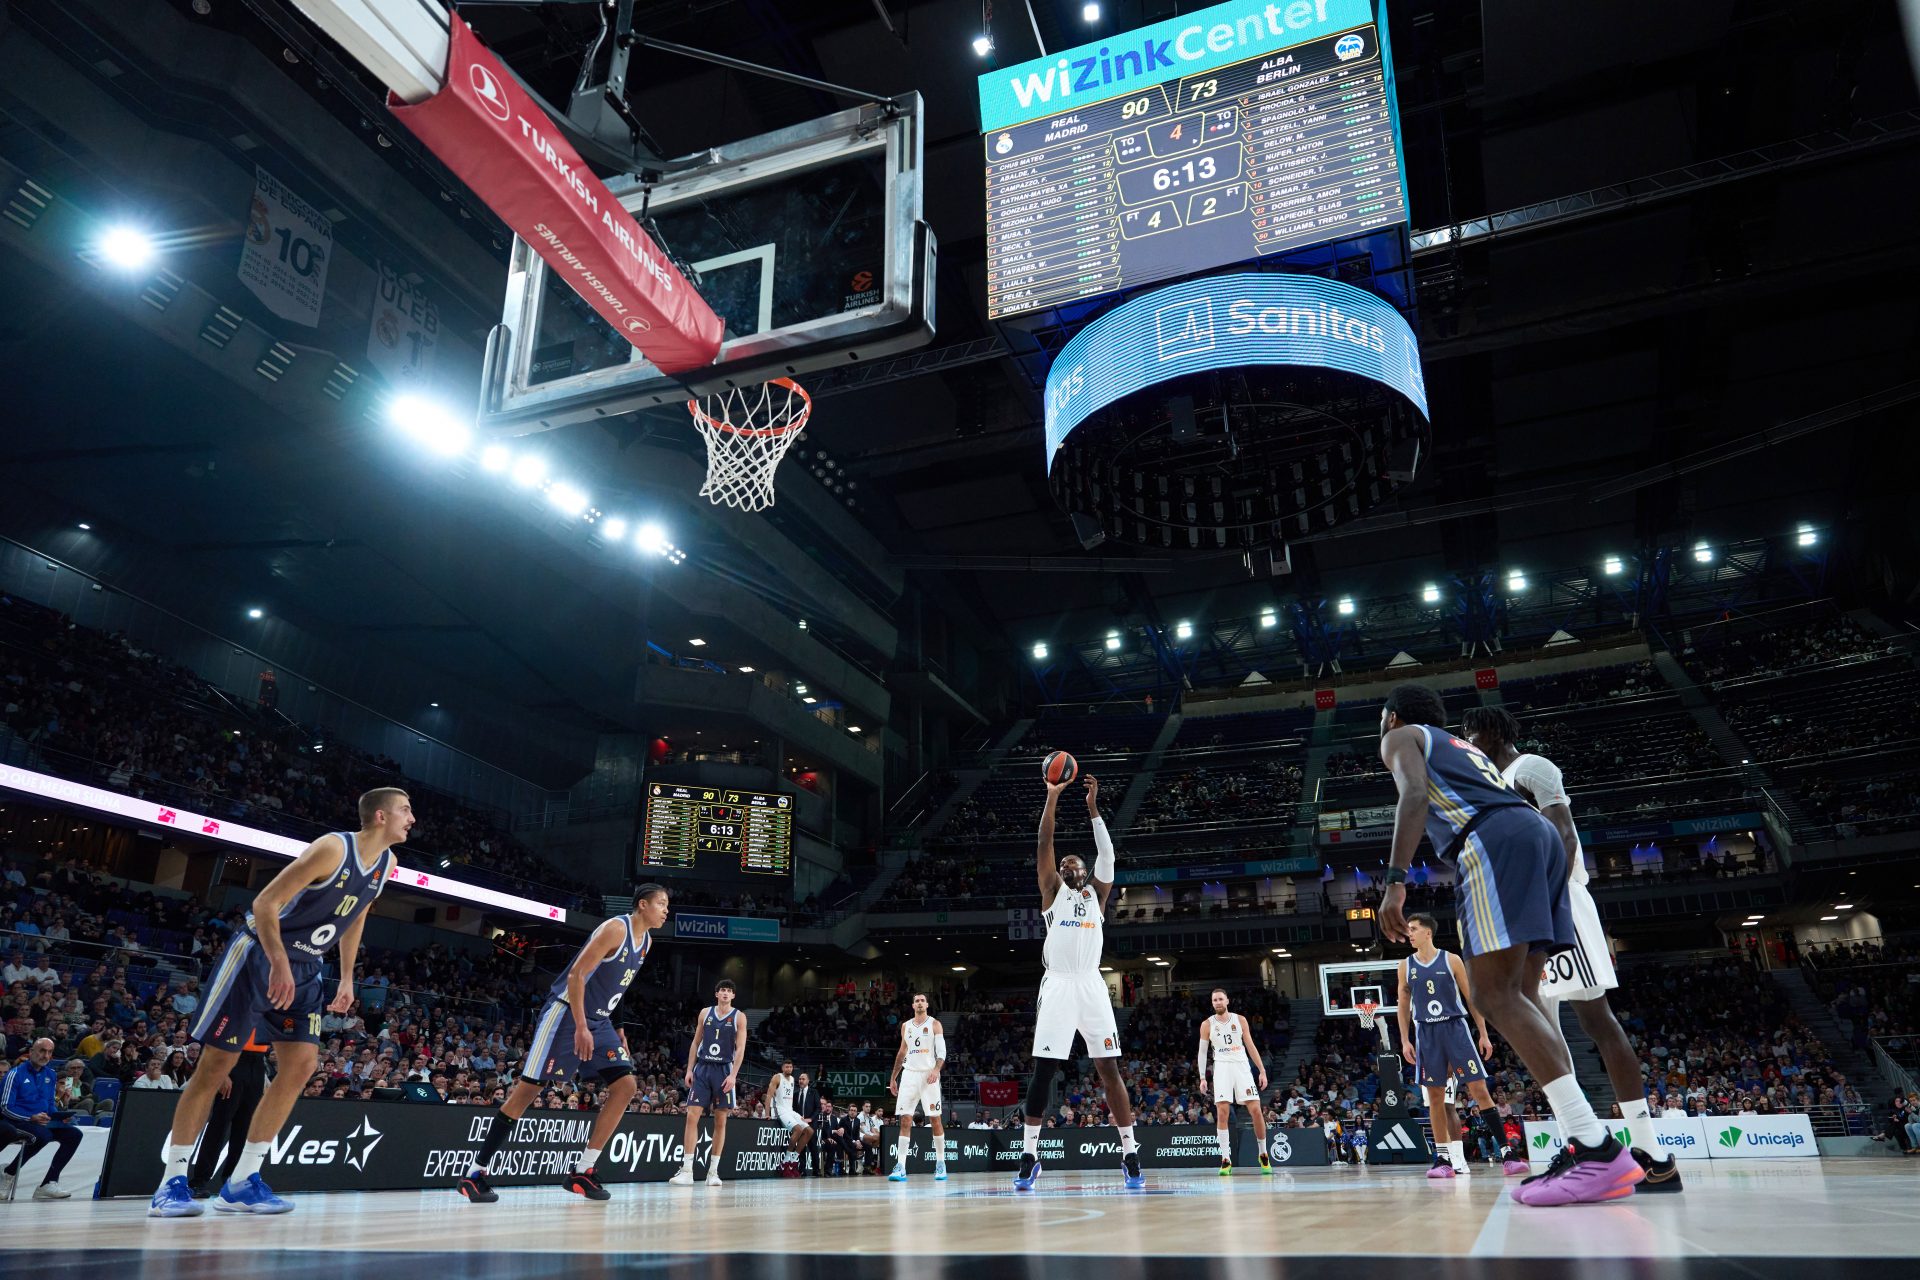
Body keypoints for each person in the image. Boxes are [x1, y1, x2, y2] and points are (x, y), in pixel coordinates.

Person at [1374, 686, 1639, 1206]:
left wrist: (1395, 880)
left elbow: (1412, 796)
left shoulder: (1401, 736)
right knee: (1522, 996)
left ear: (1392, 717)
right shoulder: (1461, 747)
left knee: (1493, 996)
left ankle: (1596, 1146)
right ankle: (1583, 1141)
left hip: (1494, 841)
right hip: (1537, 838)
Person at [148, 788, 410, 1218]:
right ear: (380, 816)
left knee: (302, 1065)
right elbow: (265, 902)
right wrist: (277, 960)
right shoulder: (332, 848)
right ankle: (171, 1182)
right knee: (216, 1067)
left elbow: (356, 914)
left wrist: (346, 977)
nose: (411, 818)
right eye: (405, 809)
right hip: (258, 956)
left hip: (307, 966)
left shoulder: (387, 864)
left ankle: (242, 1181)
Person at [1464, 707, 1683, 1194]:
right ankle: (1582, 1144)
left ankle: (1652, 1152)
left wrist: (1547, 899)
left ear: (1495, 730)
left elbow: (1563, 834)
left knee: (1597, 1020)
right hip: (1529, 908)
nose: (1468, 741)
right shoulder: (1495, 781)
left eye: (1471, 732)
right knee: (1542, 1024)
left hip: (1557, 900)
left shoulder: (1532, 768)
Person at [457, 884, 671, 1203]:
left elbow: (619, 985)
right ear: (643, 905)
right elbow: (576, 976)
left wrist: (620, 1027)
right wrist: (581, 1026)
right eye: (662, 904)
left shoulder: (647, 942)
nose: (666, 911)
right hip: (567, 1013)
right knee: (527, 1092)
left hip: (599, 1020)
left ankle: (582, 1172)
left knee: (626, 1086)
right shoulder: (615, 929)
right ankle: (474, 1173)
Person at [1016, 774, 1143, 1191]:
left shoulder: (1097, 896)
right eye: (1066, 865)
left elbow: (1108, 852)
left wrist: (1092, 808)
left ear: (1085, 872)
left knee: (1109, 1067)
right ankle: (1030, 1156)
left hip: (1091, 985)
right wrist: (1053, 798)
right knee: (1045, 1070)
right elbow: (1043, 846)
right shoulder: (1052, 891)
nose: (1069, 867)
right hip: (1057, 985)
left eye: (1076, 865)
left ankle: (1130, 1153)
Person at [1395, 912, 1527, 1178]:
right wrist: (1405, 1039)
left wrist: (1483, 1032)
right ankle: (1443, 1159)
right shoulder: (1405, 965)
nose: (1409, 933)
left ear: (1428, 932)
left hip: (1455, 1028)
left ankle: (1507, 1153)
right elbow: (1403, 1003)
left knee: (1479, 1090)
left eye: (1413, 929)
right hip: (1427, 1032)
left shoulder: (1451, 959)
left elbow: (1472, 997)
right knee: (1434, 1097)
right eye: (1409, 929)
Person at [669, 978, 745, 1187]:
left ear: (733, 996)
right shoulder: (705, 1013)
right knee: (692, 1115)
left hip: (724, 1070)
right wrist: (689, 1069)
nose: (725, 993)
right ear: (716, 994)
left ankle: (713, 1172)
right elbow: (695, 1042)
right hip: (703, 1068)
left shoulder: (739, 1017)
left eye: (729, 991)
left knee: (720, 1121)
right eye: (722, 990)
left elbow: (740, 1049)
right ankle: (687, 1170)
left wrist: (733, 1076)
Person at [1197, 988, 1271, 1175]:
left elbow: (1250, 1045)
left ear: (1227, 1000)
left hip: (1241, 1065)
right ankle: (1225, 1159)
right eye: (1215, 1000)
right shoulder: (1207, 1024)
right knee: (1222, 1112)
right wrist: (1202, 1077)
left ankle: (1263, 1153)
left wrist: (1261, 1070)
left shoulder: (1240, 1019)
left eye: (1221, 999)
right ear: (1212, 1003)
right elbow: (1202, 1052)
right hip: (1221, 1067)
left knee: (1255, 1109)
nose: (1218, 1002)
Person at [189, 1035, 271, 1197]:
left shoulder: (266, 1010)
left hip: (258, 1062)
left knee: (244, 1130)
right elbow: (216, 1035)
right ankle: (199, 1181)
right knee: (218, 1127)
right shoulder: (236, 1009)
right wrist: (222, 1072)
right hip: (233, 1059)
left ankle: (234, 1182)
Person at [1, 1038, 82, 1199]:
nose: (46, 1055)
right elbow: (5, 1107)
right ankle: (8, 1174)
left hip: (41, 1121)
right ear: (31, 1052)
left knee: (74, 1134)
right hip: (17, 1121)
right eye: (42, 1051)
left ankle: (48, 1183)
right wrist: (31, 1117)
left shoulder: (51, 1074)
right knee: (44, 1135)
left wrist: (58, 1117)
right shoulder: (14, 1074)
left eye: (50, 1052)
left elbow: (50, 1104)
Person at [887, 991, 949, 1181]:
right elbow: (901, 1053)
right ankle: (901, 1166)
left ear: (927, 1005)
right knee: (905, 1120)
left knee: (935, 1120)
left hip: (929, 1075)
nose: (920, 1003)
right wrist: (893, 1078)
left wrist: (936, 1070)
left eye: (923, 1000)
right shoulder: (906, 1026)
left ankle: (940, 1163)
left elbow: (942, 1052)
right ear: (913, 1006)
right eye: (916, 1001)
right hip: (909, 1076)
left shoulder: (935, 1024)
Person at [769, 1060, 814, 1176]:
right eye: (786, 1067)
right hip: (780, 1110)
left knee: (809, 1131)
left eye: (791, 1067)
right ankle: (785, 1162)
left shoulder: (793, 1080)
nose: (789, 1069)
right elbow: (769, 1095)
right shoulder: (777, 1077)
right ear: (782, 1068)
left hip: (790, 1110)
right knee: (798, 1129)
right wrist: (767, 1113)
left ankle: (793, 1161)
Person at [793, 1072, 824, 1176]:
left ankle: (816, 1170)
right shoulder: (795, 1094)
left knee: (813, 1148)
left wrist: (810, 1119)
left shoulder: (814, 1092)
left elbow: (818, 1108)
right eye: (800, 1079)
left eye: (803, 1079)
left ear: (808, 1081)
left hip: (811, 1125)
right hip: (799, 1125)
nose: (801, 1081)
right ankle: (802, 1170)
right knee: (800, 1148)